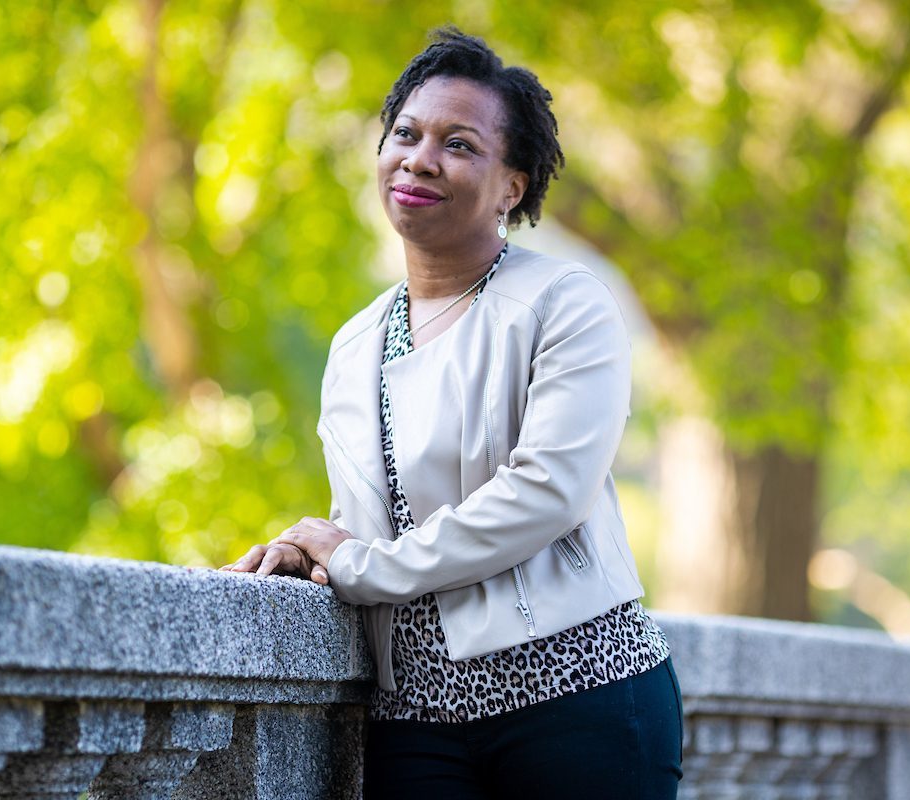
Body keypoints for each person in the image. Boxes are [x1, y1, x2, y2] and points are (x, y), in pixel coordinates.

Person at [223, 28, 684, 799]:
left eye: (459, 144)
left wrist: (360, 564)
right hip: (415, 725)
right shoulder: (355, 342)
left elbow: (547, 492)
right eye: (405, 133)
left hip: (578, 704)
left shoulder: (564, 305)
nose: (419, 158)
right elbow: (371, 516)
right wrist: (316, 554)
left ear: (513, 186)